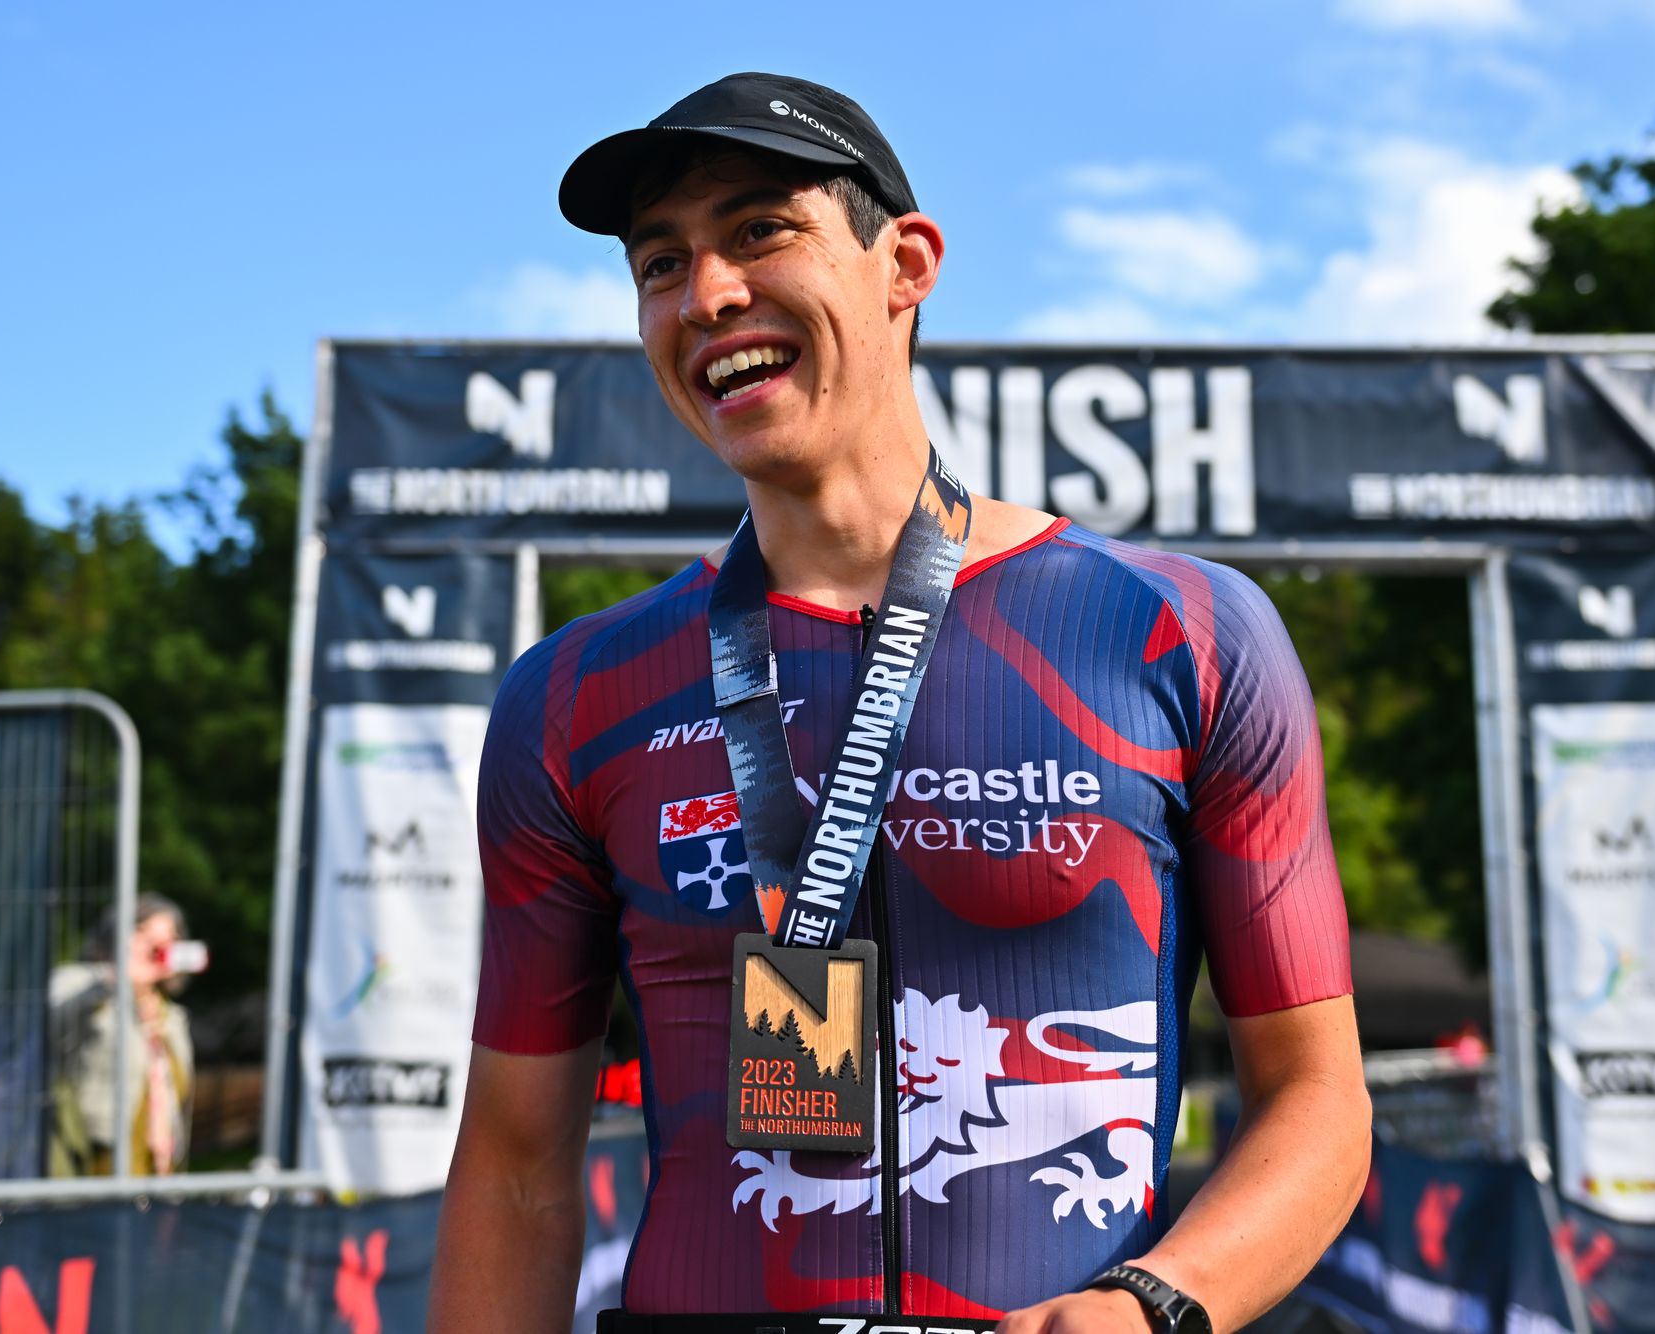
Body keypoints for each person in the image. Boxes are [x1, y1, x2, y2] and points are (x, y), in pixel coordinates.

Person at [431, 73, 1370, 1334]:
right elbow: (513, 1165)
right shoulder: (576, 694)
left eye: (760, 229)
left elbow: (1318, 1097)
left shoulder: (1181, 634)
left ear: (903, 264)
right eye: (661, 262)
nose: (705, 293)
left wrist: (1151, 1304)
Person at [47, 892, 198, 1176]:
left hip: (158, 1173)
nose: (152, 944)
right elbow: (52, 1017)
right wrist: (112, 980)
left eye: (167, 937)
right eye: (141, 931)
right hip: (91, 1166)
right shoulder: (84, 984)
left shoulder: (173, 1019)